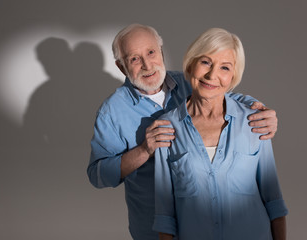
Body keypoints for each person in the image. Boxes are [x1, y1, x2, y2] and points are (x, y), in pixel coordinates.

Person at [87, 24, 278, 240]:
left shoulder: (188, 83)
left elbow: (225, 94)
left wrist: (258, 108)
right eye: (134, 59)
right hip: (152, 228)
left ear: (161, 51)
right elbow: (98, 175)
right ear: (121, 67)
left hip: (205, 225)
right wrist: (143, 150)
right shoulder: (111, 111)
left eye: (151, 52)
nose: (147, 65)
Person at [153, 28, 288, 240]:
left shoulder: (254, 122)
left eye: (225, 67)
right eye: (206, 62)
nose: (212, 75)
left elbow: (274, 201)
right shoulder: (166, 128)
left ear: (233, 76)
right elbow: (165, 214)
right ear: (191, 64)